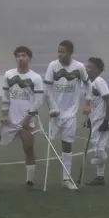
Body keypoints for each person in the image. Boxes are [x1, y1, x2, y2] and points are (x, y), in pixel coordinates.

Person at [42, 39, 88, 190]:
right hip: (55, 112)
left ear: (70, 52)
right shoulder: (52, 66)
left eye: (62, 52)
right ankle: (45, 178)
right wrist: (52, 107)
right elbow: (47, 88)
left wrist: (88, 103)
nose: (59, 54)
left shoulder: (79, 67)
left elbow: (88, 84)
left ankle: (66, 179)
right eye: (58, 51)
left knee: (67, 144)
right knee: (51, 143)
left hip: (70, 113)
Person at [0, 46, 44, 188]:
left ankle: (30, 180)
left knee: (28, 148)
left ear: (29, 58)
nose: (20, 58)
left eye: (23, 55)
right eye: (18, 56)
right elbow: (5, 96)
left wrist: (28, 116)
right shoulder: (8, 74)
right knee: (2, 144)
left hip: (26, 118)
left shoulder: (35, 77)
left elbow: (39, 100)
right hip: (11, 118)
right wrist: (4, 113)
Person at [83, 57, 109, 186]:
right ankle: (100, 177)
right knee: (97, 147)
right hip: (95, 119)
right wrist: (88, 119)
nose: (87, 69)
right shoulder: (89, 83)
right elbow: (92, 104)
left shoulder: (100, 82)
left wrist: (107, 120)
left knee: (99, 148)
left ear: (98, 70)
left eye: (90, 67)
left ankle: (100, 173)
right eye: (87, 66)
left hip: (102, 119)